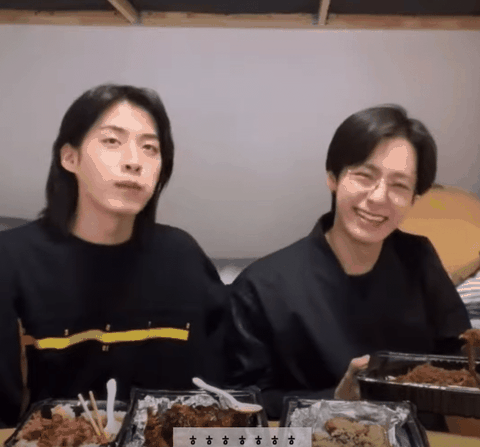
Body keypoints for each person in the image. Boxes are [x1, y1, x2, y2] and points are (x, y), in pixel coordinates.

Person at [0, 84, 226, 428]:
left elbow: (218, 387)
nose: (134, 162)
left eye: (150, 148)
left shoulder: (183, 257)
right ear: (70, 158)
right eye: (111, 141)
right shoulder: (12, 260)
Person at [227, 105, 471, 421]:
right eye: (364, 176)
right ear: (333, 177)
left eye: (399, 185)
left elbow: (459, 357)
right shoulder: (262, 286)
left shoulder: (419, 257)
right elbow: (239, 399)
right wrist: (336, 399)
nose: (379, 197)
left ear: (414, 198)